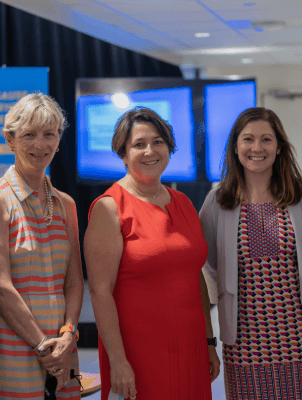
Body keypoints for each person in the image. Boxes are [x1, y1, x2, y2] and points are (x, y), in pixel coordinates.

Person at [84, 107, 219, 400]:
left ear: (169, 147)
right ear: (123, 153)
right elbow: (99, 291)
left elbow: (194, 275)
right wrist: (118, 361)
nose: (150, 151)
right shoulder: (109, 208)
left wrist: (209, 341)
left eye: (158, 142)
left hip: (191, 347)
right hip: (138, 354)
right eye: (139, 144)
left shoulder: (183, 203)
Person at [200, 107, 302, 399]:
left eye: (266, 139)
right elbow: (209, 264)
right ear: (235, 147)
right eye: (247, 139)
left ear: (280, 146)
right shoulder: (216, 202)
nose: (256, 148)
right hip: (245, 342)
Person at [0, 93, 84, 399]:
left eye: (49, 134)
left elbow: (75, 281)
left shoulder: (66, 204)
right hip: (13, 348)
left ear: (59, 140)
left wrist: (67, 335)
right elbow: (0, 287)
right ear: (10, 140)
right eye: (29, 135)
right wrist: (42, 346)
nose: (40, 144)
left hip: (63, 348)